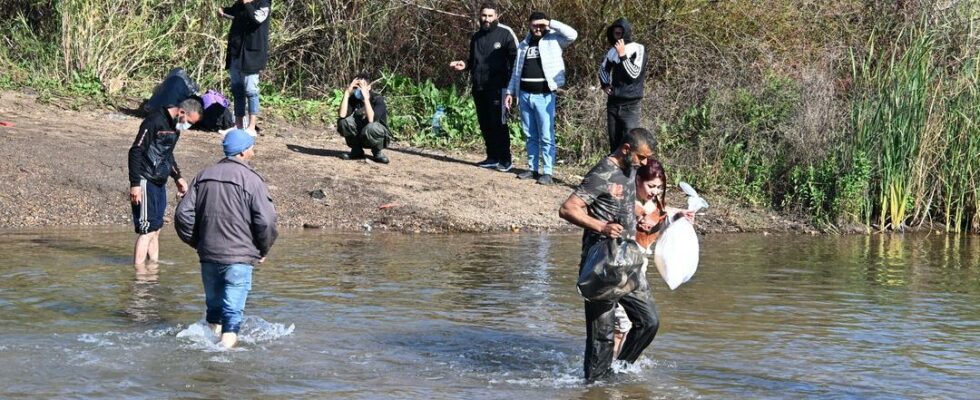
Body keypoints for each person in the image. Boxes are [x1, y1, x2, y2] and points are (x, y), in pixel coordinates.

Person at [558, 127, 658, 382]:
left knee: (648, 322)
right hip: (601, 265)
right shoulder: (602, 172)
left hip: (627, 262)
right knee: (601, 337)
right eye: (642, 157)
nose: (644, 163)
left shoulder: (629, 169)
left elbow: (620, 199)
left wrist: (640, 216)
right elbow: (568, 209)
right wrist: (601, 226)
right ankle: (594, 387)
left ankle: (618, 371)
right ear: (626, 149)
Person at [174, 129, 278, 348]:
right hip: (239, 257)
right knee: (232, 315)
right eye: (251, 146)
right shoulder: (252, 180)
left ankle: (209, 351)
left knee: (213, 312)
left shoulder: (204, 175)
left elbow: (183, 215)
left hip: (209, 255)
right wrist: (263, 249)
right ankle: (223, 363)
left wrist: (198, 242)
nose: (253, 150)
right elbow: (266, 221)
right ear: (242, 152)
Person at [611, 159, 695, 358]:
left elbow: (662, 216)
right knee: (622, 323)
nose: (655, 191)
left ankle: (619, 365)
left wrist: (680, 215)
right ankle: (613, 366)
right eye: (651, 186)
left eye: (659, 187)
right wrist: (638, 214)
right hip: (619, 266)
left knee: (635, 323)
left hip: (640, 267)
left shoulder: (656, 202)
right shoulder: (625, 199)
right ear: (638, 180)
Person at [128, 98, 203, 267]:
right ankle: (138, 276)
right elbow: (135, 151)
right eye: (189, 122)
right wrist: (135, 184)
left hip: (160, 182)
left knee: (156, 229)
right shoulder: (154, 121)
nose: (188, 127)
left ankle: (153, 269)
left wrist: (178, 177)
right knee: (147, 230)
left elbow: (167, 154)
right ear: (182, 112)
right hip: (145, 179)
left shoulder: (175, 127)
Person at [505, 11, 577, 186]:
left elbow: (572, 34)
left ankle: (548, 172)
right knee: (530, 134)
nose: (537, 28)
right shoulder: (523, 44)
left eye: (541, 25)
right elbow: (516, 71)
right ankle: (532, 168)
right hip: (524, 95)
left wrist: (550, 22)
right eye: (534, 25)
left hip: (544, 95)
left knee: (546, 135)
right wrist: (510, 92)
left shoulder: (554, 39)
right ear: (529, 25)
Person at [449, 2, 519, 172]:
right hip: (479, 87)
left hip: (499, 87)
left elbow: (517, 61)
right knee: (485, 122)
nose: (486, 19)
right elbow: (473, 61)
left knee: (499, 123)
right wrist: (464, 65)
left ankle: (505, 159)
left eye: (490, 16)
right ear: (480, 16)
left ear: (497, 16)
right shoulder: (476, 37)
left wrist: (512, 88)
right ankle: (492, 157)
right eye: (484, 16)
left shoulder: (506, 34)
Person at [218, 0, 271, 135]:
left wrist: (247, 4)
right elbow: (234, 13)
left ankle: (252, 127)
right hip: (236, 53)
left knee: (251, 90)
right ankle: (238, 126)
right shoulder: (240, 3)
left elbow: (257, 19)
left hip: (252, 54)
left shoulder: (264, 2)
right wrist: (223, 11)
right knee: (237, 90)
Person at [599, 17, 647, 153]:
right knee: (615, 144)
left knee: (631, 144)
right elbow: (603, 69)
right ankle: (616, 174)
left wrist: (623, 55)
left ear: (627, 33)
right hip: (613, 103)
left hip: (631, 104)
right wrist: (605, 85)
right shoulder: (612, 51)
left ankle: (631, 174)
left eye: (620, 33)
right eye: (616, 33)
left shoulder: (638, 48)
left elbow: (634, 74)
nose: (618, 36)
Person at [337, 74, 392, 164]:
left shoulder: (377, 99)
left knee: (372, 127)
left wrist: (365, 99)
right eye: (356, 86)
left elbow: (372, 120)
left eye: (361, 86)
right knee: (343, 122)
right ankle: (356, 151)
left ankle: (377, 152)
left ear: (369, 87)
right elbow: (342, 115)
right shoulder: (353, 99)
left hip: (376, 136)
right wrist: (347, 94)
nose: (359, 89)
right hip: (360, 135)